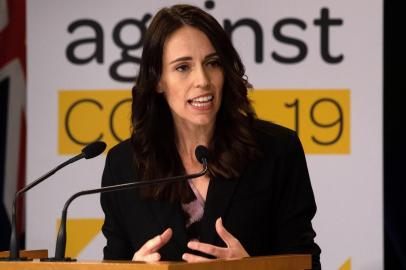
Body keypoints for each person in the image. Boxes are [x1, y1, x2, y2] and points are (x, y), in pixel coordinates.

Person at [100, 4, 321, 269]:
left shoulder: (277, 151)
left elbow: (307, 262)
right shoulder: (123, 165)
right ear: (157, 80)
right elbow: (114, 260)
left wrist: (253, 267)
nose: (203, 80)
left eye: (212, 63)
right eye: (183, 67)